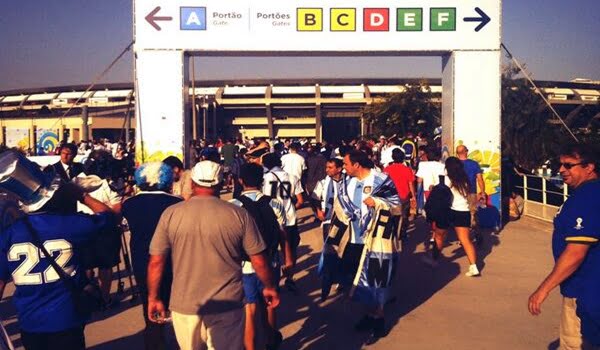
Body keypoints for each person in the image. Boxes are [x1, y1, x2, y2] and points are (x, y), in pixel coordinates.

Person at [147, 161, 280, 350]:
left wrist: (154, 297)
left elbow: (156, 262)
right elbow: (259, 260)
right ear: (220, 184)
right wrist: (269, 286)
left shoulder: (171, 214)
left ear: (192, 183)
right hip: (228, 304)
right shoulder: (238, 214)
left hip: (185, 305)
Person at [0, 151, 114, 350]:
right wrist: (82, 195)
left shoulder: (10, 233)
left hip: (29, 320)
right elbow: (108, 217)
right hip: (67, 318)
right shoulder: (71, 224)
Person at [528, 144, 600, 349]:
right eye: (560, 165)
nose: (561, 170)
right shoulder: (587, 194)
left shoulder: (588, 197)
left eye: (569, 165)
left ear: (589, 167)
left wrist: (543, 290)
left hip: (585, 293)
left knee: (575, 344)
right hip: (586, 290)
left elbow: (576, 252)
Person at [327, 150, 400, 341]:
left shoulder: (381, 180)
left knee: (375, 281)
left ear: (357, 165)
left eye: (346, 164)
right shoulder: (348, 182)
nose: (344, 168)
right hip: (353, 240)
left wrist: (376, 202)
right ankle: (370, 314)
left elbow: (396, 205)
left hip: (375, 242)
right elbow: (340, 206)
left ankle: (379, 321)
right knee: (355, 281)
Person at [229, 163, 291, 350]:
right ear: (261, 180)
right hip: (270, 262)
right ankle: (271, 341)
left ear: (240, 181)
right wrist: (288, 259)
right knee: (270, 304)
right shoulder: (274, 204)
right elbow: (283, 234)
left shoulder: (234, 205)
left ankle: (250, 347)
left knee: (250, 309)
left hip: (245, 265)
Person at [122, 162, 182, 350]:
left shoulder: (129, 204)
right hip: (170, 260)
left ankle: (154, 341)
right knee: (171, 302)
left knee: (149, 303)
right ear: (167, 179)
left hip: (141, 260)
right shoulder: (176, 202)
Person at [76, 150, 123, 307]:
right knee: (104, 265)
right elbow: (116, 212)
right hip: (103, 228)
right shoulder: (109, 182)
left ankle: (92, 296)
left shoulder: (77, 180)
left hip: (84, 227)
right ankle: (103, 298)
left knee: (89, 265)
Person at [422, 157, 480, 277]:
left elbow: (440, 192)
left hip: (448, 211)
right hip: (463, 211)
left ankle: (434, 259)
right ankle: (474, 266)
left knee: (439, 236)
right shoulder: (465, 180)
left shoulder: (447, 179)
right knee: (465, 240)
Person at [262, 153, 304, 292]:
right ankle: (290, 277)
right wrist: (291, 207)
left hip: (271, 218)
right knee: (290, 249)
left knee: (271, 250)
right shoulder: (292, 177)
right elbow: (300, 200)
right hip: (290, 218)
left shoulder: (265, 178)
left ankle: (271, 279)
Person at [384, 148, 416, 241]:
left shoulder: (387, 169)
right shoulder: (407, 170)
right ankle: (402, 233)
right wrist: (413, 196)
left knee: (392, 215)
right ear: (403, 158)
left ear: (392, 158)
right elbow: (411, 184)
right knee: (404, 216)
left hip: (391, 197)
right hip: (404, 196)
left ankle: (393, 232)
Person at [456, 145, 486, 241]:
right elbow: (480, 179)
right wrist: (482, 191)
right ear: (466, 152)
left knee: (460, 214)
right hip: (471, 192)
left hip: (458, 193)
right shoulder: (474, 164)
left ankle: (464, 237)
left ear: (457, 153)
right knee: (472, 213)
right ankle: (476, 233)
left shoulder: (455, 164)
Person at [312, 158, 345, 240]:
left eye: (330, 168)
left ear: (339, 169)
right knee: (329, 246)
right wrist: (318, 211)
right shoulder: (323, 182)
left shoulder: (348, 181)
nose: (327, 170)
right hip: (328, 218)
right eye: (326, 167)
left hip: (344, 219)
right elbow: (315, 198)